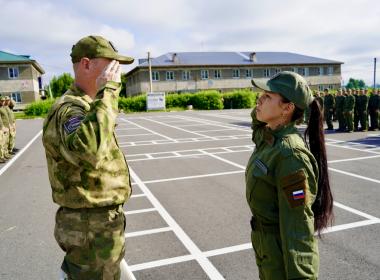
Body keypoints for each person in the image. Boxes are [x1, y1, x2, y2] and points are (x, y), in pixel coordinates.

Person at [42, 35, 134, 280]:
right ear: (86, 64)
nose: (117, 72)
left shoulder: (88, 105)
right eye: (111, 64)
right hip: (90, 227)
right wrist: (109, 92)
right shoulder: (69, 108)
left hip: (97, 225)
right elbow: (89, 151)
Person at [246, 71, 334, 280]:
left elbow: (298, 229)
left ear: (287, 107)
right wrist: (264, 105)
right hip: (266, 249)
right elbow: (256, 121)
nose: (259, 99)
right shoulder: (269, 138)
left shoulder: (290, 156)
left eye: (267, 96)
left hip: (280, 259)